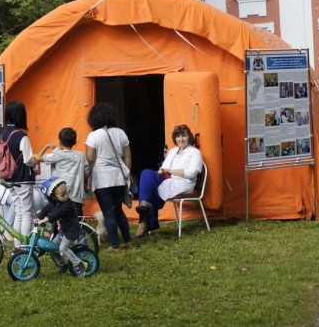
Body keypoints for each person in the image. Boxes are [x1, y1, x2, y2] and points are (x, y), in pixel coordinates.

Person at [135, 124, 203, 237]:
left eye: (184, 136)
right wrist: (159, 174)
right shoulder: (173, 151)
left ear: (189, 137)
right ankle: (144, 204)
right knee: (146, 173)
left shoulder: (195, 152)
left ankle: (144, 222)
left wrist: (170, 171)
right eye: (178, 136)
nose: (181, 139)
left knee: (152, 189)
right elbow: (164, 168)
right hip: (168, 178)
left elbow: (192, 173)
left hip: (183, 182)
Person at [85, 102, 133, 252]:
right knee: (118, 210)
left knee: (108, 212)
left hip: (101, 178)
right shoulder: (120, 133)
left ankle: (114, 245)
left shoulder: (93, 136)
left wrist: (86, 176)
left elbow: (90, 159)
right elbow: (127, 155)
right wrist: (126, 173)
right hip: (119, 176)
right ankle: (128, 241)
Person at [0, 101, 38, 251]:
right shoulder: (22, 135)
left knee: (18, 210)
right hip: (23, 178)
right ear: (21, 116)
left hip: (10, 178)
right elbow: (28, 159)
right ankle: (25, 246)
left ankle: (18, 245)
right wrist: (36, 162)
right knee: (27, 211)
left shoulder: (4, 133)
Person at [35, 177, 86, 277]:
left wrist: (45, 220)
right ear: (53, 196)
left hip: (71, 231)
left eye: (66, 193)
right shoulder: (54, 203)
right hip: (63, 231)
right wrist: (38, 217)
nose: (66, 196)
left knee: (63, 248)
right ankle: (62, 264)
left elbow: (56, 214)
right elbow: (45, 209)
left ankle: (78, 263)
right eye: (62, 195)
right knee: (51, 247)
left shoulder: (68, 205)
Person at [34, 127, 89, 217]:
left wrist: (47, 146)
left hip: (60, 196)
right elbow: (86, 171)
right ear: (75, 142)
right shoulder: (81, 156)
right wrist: (85, 183)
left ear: (60, 141)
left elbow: (37, 158)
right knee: (77, 225)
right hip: (76, 197)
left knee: (59, 224)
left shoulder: (57, 155)